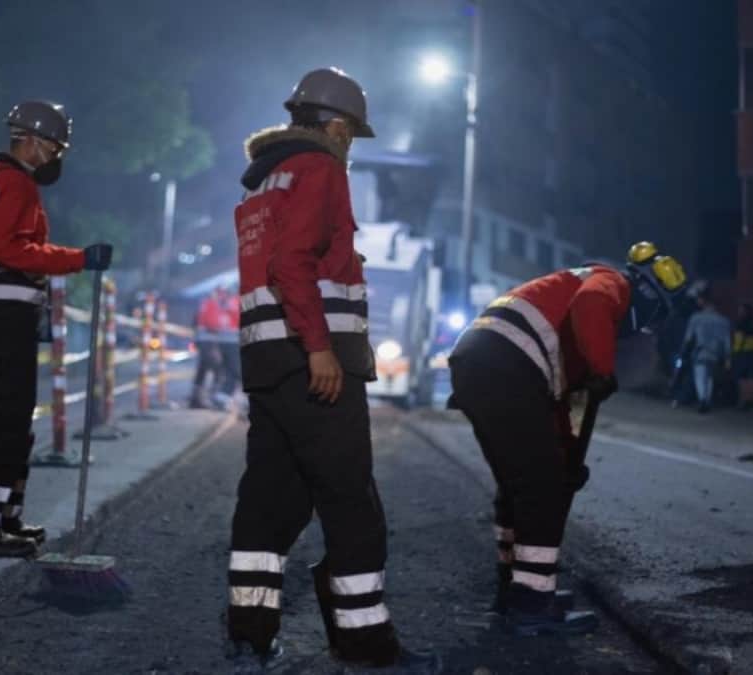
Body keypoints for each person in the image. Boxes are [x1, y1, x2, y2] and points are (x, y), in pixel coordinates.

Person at [226, 67, 438, 671]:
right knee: (351, 502)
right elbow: (293, 265)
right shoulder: (321, 168)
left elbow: (273, 263)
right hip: (311, 360)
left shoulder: (264, 179)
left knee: (270, 498)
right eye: (352, 134)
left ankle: (250, 634)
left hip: (266, 360)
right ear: (339, 127)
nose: (350, 145)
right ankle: (366, 644)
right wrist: (319, 347)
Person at [447, 242, 687, 636]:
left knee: (522, 483)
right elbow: (592, 305)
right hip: (505, 366)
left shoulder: (565, 310)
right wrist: (602, 369)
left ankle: (517, 589)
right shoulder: (610, 283)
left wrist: (566, 459)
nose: (643, 329)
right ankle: (532, 604)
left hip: (482, 363)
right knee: (542, 488)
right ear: (646, 294)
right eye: (651, 318)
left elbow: (557, 408)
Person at [0, 100, 112, 558]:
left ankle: (2, 518)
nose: (57, 156)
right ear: (32, 140)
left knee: (12, 419)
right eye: (55, 147)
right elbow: (8, 250)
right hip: (0, 316)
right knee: (3, 419)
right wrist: (79, 258)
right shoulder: (14, 183)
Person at [682, 286, 732, 414]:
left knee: (700, 376)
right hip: (716, 353)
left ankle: (703, 399)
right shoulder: (724, 321)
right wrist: (727, 357)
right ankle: (707, 400)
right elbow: (727, 341)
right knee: (709, 377)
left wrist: (684, 350)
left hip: (700, 351)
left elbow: (688, 338)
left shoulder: (696, 318)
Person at [189, 287, 225, 409]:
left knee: (202, 370)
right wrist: (222, 329)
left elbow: (195, 321)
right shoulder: (212, 305)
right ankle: (214, 398)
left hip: (202, 341)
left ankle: (196, 399)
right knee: (218, 369)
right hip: (208, 342)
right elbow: (212, 324)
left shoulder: (204, 304)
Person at [732, 303, 753, 409]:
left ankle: (743, 401)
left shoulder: (741, 323)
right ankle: (751, 401)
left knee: (742, 378)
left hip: (742, 352)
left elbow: (739, 336)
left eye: (741, 310)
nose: (739, 312)